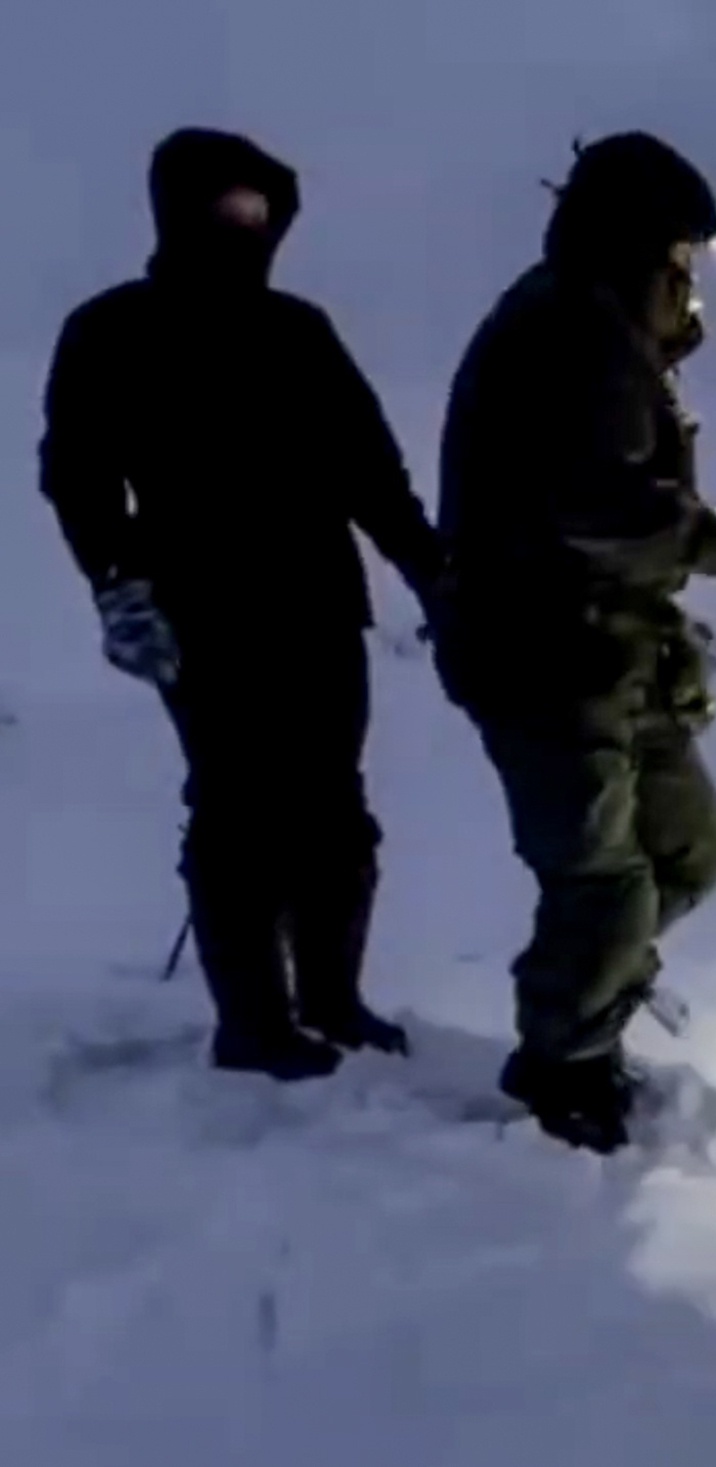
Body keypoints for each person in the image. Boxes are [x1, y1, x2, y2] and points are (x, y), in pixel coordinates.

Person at [36, 127, 447, 1079]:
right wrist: (117, 585)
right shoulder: (110, 329)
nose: (249, 225)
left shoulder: (299, 330)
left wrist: (432, 569)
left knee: (334, 808)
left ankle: (332, 1001)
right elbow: (77, 475)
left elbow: (370, 470)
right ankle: (254, 1027)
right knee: (237, 809)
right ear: (176, 210)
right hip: (198, 614)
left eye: (263, 210)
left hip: (319, 606)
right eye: (229, 205)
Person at [432, 132, 716, 1154]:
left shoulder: (598, 329)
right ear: (638, 245)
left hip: (610, 654)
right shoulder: (567, 331)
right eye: (680, 255)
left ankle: (592, 1001)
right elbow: (603, 510)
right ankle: (563, 1078)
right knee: (603, 882)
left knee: (691, 850)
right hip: (541, 659)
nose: (691, 277)